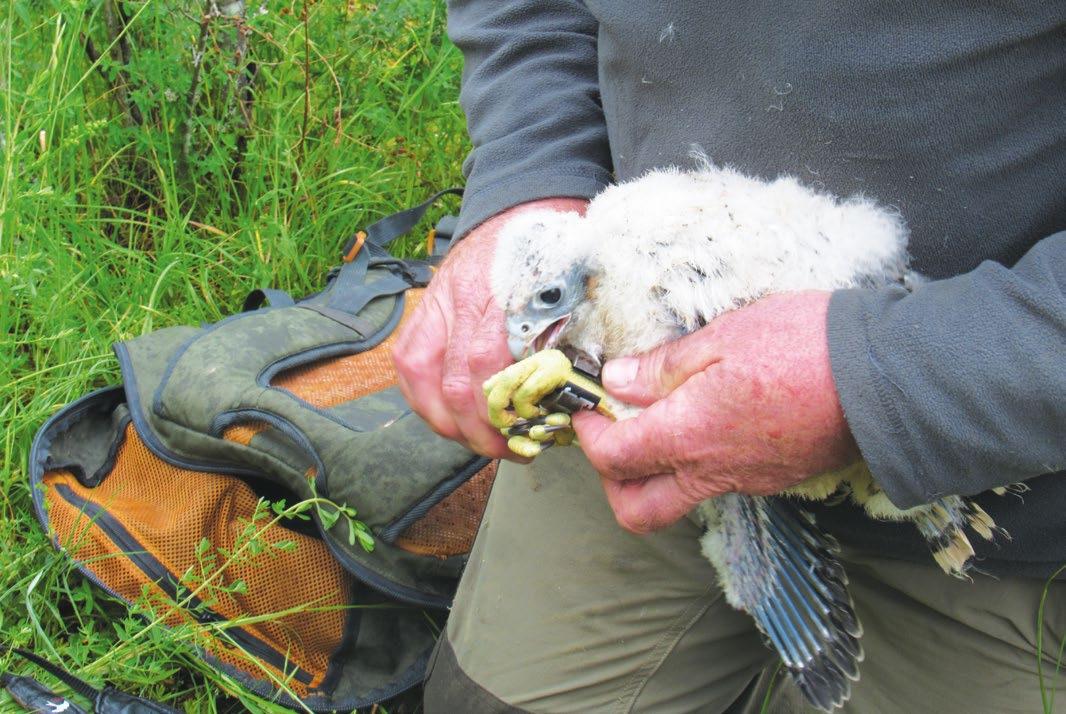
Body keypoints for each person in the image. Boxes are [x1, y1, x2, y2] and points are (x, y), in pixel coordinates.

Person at [392, 2, 1066, 711]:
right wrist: (530, 174)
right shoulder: (583, 288)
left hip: (1000, 481)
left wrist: (883, 374)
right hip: (621, 407)